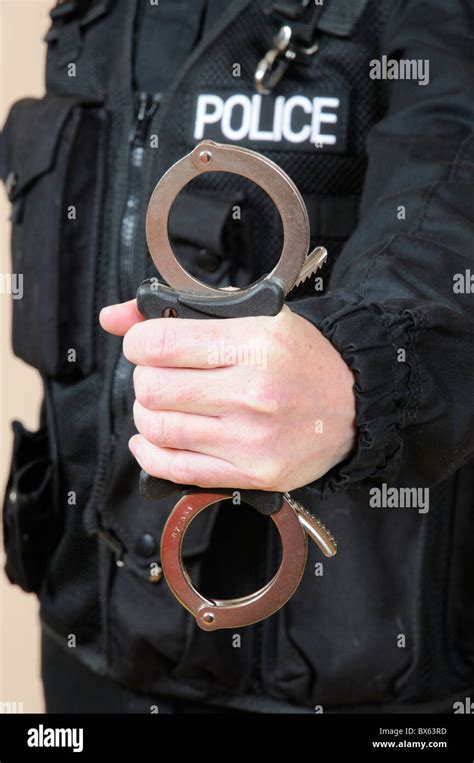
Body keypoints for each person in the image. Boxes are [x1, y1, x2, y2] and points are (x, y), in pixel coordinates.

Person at [2, 0, 474, 714]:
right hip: (89, 656)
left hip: (355, 687)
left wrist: (359, 372)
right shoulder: (91, 16)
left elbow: (452, 181)